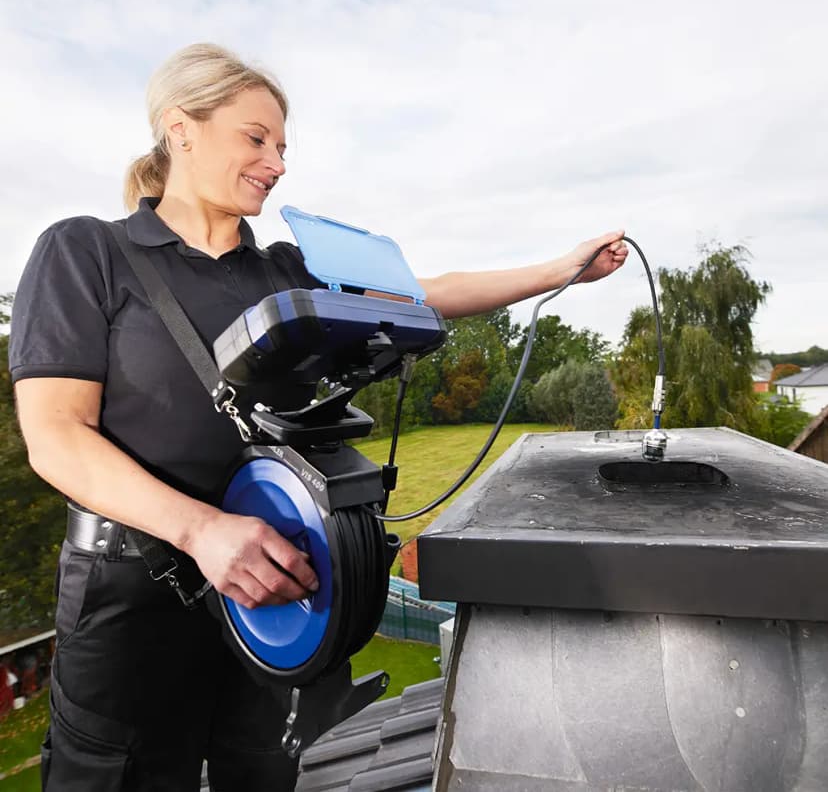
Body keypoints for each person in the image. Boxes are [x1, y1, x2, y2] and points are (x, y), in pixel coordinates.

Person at [9, 43, 628, 791]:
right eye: (256, 138)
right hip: (133, 596)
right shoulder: (87, 252)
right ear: (180, 130)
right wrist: (202, 532)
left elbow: (422, 294)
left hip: (277, 584)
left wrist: (561, 268)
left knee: (264, 774)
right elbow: (56, 436)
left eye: (281, 147)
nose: (276, 162)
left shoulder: (284, 273)